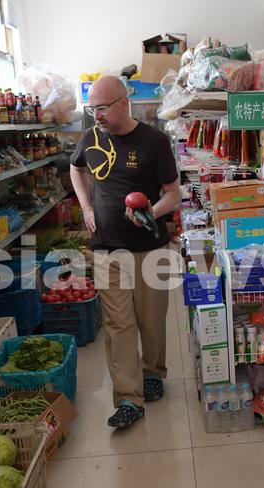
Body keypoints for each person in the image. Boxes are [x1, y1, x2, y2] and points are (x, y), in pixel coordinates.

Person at [69, 76, 180, 428]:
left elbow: (173, 193)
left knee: (151, 319)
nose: (97, 115)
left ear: (123, 102)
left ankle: (153, 372)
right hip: (107, 247)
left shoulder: (154, 141)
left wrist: (151, 213)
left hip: (151, 248)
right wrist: (86, 207)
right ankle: (129, 398)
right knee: (118, 324)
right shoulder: (90, 138)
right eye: (92, 109)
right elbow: (76, 168)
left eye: (102, 108)